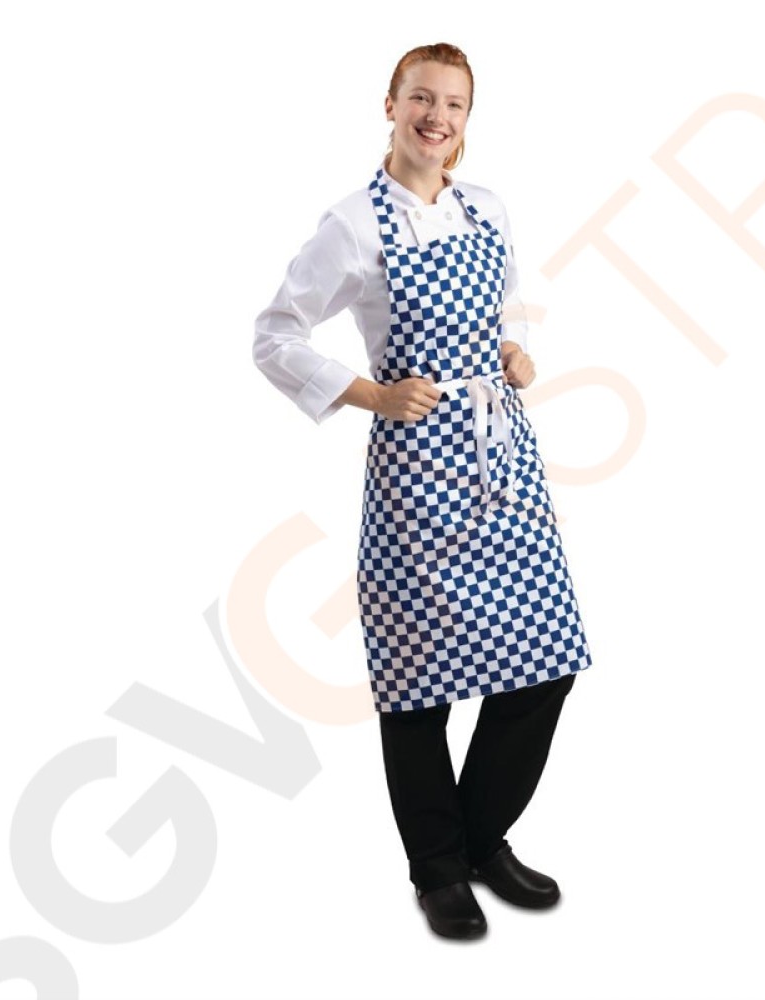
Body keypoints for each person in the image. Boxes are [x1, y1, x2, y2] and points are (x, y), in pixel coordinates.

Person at [252, 42, 593, 940]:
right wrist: (371, 395)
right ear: (391, 104)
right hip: (416, 471)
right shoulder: (353, 225)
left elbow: (504, 308)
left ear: (467, 117)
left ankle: (477, 842)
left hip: (503, 458)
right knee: (418, 677)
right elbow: (275, 335)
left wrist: (515, 351)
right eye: (421, 99)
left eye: (454, 104)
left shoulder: (488, 208)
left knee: (546, 660)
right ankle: (438, 868)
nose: (437, 117)